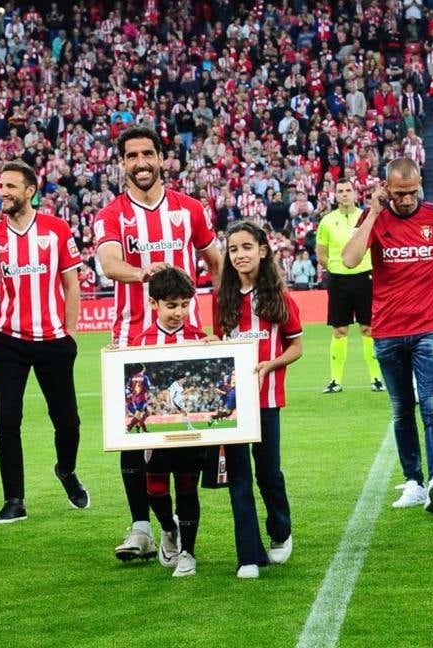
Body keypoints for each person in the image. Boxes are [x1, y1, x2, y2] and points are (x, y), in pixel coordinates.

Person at [93, 126, 222, 562]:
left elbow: (216, 263)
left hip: (186, 342)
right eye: (131, 156)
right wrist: (145, 273)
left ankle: (174, 528)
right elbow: (110, 263)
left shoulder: (189, 209)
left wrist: (223, 319)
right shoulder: (112, 214)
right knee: (132, 438)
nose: (141, 162)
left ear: (162, 158)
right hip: (131, 341)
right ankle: (141, 528)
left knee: (184, 437)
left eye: (148, 154)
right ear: (123, 163)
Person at [341, 157, 433, 514]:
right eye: (400, 194)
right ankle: (412, 481)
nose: (408, 199)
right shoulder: (376, 218)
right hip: (387, 330)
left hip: (430, 326)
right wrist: (371, 212)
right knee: (401, 411)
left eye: (413, 191)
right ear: (386, 189)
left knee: (432, 406)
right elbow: (350, 259)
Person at [0, 161, 88, 524]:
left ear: (30, 191)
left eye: (11, 186)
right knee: (6, 420)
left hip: (54, 340)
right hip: (9, 341)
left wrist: (69, 332)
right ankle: (14, 500)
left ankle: (66, 471)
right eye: (0, 186)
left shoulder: (56, 230)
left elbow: (72, 285)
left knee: (67, 421)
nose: (3, 192)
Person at [213, 220, 301, 579]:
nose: (239, 255)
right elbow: (220, 346)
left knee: (268, 473)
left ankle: (280, 532)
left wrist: (271, 364)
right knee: (238, 478)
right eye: (233, 249)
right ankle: (249, 555)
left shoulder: (280, 299)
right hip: (234, 406)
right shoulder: (223, 300)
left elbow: (296, 347)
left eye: (246, 247)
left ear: (262, 251)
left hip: (266, 402)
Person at [132, 266, 214, 577]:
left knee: (187, 487)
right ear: (153, 304)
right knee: (154, 488)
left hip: (188, 432)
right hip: (155, 432)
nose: (179, 312)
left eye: (184, 304)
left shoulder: (198, 339)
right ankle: (168, 528)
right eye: (171, 305)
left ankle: (188, 553)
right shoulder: (140, 343)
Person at [315, 178, 383, 394]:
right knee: (340, 330)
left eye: (348, 190)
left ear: (356, 193)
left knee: (369, 329)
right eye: (341, 191)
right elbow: (321, 254)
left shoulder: (366, 217)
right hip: (338, 280)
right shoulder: (327, 221)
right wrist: (337, 267)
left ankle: (376, 379)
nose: (345, 194)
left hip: (365, 277)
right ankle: (335, 380)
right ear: (335, 195)